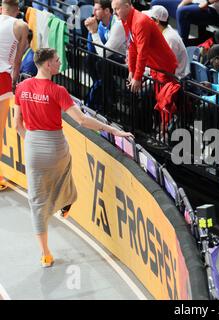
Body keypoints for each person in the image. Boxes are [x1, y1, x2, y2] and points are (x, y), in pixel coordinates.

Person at [13, 48, 133, 268]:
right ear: (48, 64)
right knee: (65, 168)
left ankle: (46, 254)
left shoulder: (21, 87)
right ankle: (67, 200)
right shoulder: (58, 91)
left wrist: (29, 140)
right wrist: (114, 131)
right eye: (57, 60)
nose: (61, 63)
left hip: (33, 146)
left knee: (37, 201)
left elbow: (16, 124)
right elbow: (83, 121)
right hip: (55, 145)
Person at [111, 0, 178, 92]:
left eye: (116, 9)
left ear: (127, 6)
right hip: (155, 67)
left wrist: (137, 77)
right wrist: (131, 70)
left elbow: (142, 52)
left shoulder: (140, 22)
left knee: (164, 101)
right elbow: (131, 46)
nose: (114, 12)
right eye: (113, 9)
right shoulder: (126, 19)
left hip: (164, 68)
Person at [0, 0, 29, 191]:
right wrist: (15, 79)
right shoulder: (21, 25)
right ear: (17, 9)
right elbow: (18, 59)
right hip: (2, 76)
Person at [144, 5, 190, 79]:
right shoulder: (163, 31)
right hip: (163, 76)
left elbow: (166, 67)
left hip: (174, 80)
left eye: (149, 19)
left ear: (157, 22)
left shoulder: (170, 38)